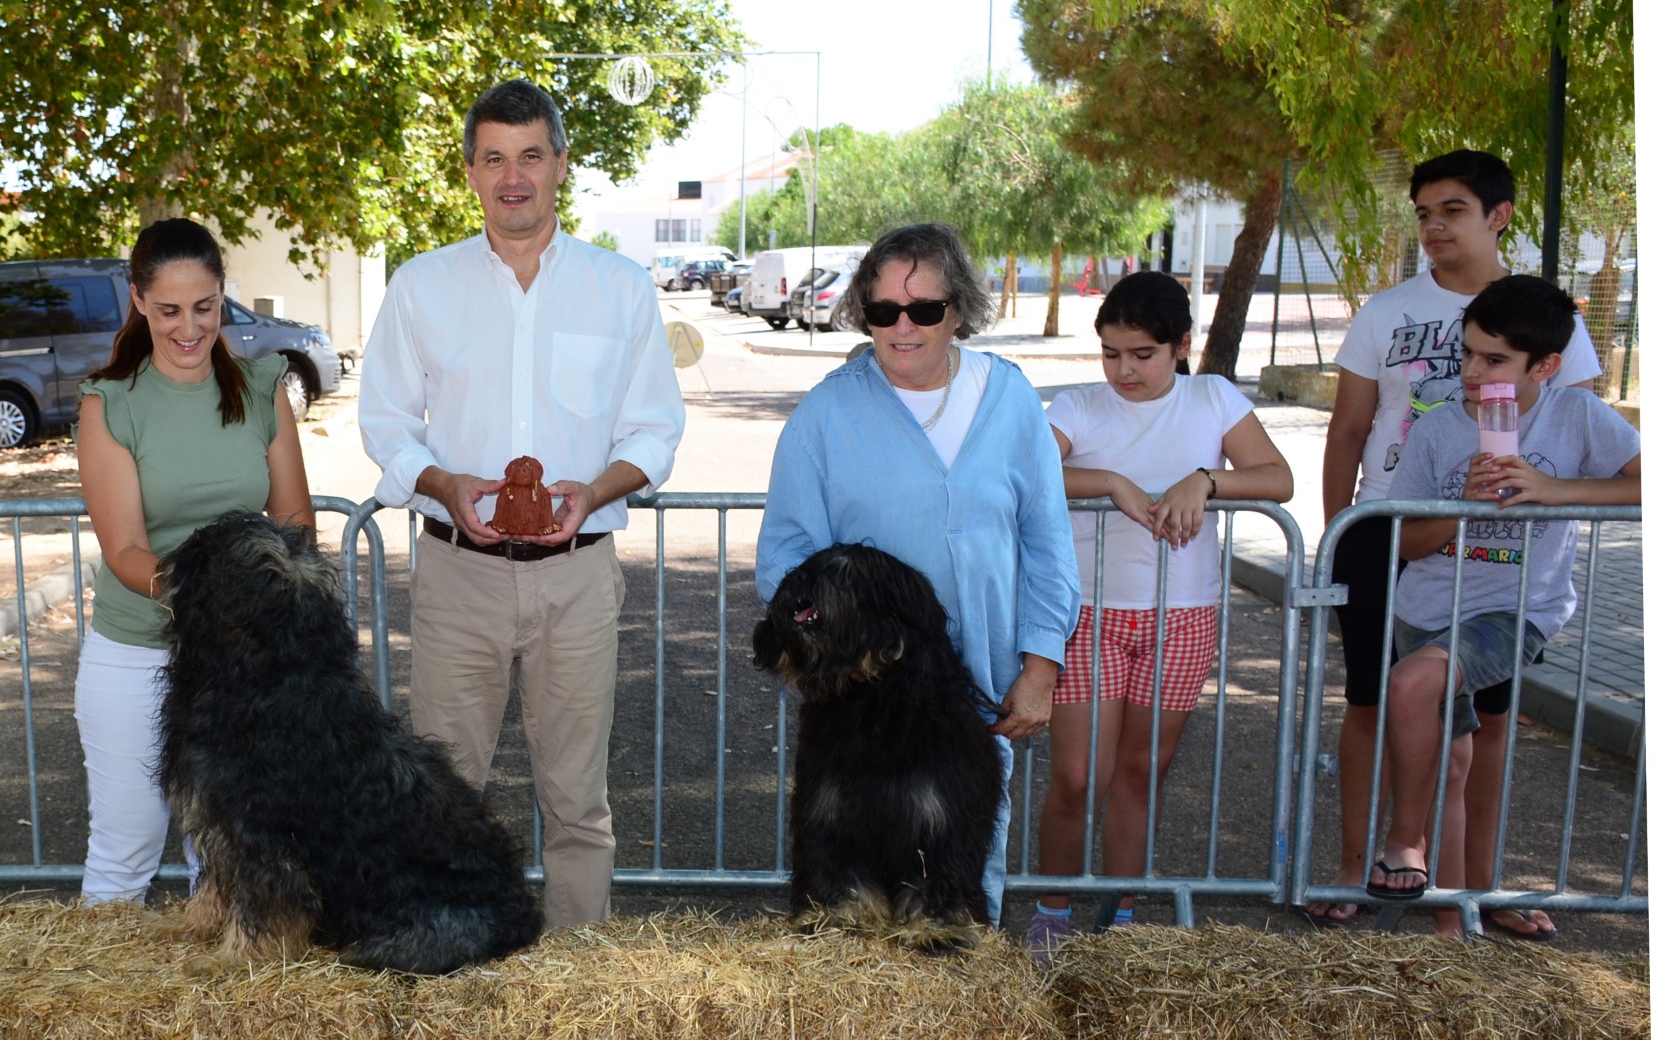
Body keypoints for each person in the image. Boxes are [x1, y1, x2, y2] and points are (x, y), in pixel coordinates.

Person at [358, 79, 684, 931]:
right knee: (441, 792)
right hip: (457, 575)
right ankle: (444, 963)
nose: (514, 178)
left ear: (561, 167)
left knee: (578, 801)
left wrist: (595, 492)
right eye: (495, 159)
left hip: (578, 577)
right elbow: (386, 425)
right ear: (469, 172)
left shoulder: (620, 288)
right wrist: (443, 484)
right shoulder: (420, 287)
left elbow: (653, 432)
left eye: (530, 156)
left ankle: (573, 994)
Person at [756, 222, 1080, 932]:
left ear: (958, 311)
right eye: (883, 311)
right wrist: (838, 649)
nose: (903, 328)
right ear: (862, 314)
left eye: (924, 310)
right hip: (857, 711)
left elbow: (1048, 541)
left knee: (959, 889)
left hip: (974, 701)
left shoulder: (1012, 402)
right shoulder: (825, 415)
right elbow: (785, 558)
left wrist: (1042, 663)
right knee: (841, 890)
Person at [1318, 149, 1603, 934]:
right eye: (1423, 212)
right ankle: (1357, 867)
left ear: (1498, 215)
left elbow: (1575, 435)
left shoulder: (1548, 316)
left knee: (1487, 725)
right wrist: (1333, 536)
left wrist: (1543, 504)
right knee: (1374, 702)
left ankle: (1478, 891)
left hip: (1505, 558)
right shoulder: (1384, 310)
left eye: (1452, 209)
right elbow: (1348, 427)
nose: (1434, 226)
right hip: (1389, 530)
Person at [1028, 272, 1292, 961]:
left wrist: (1206, 481)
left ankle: (1121, 917)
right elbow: (1027, 473)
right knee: (1079, 776)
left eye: (1141, 354)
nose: (1123, 370)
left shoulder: (1212, 397)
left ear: (1181, 345)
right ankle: (1050, 911)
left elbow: (1276, 476)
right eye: (1111, 353)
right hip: (1089, 615)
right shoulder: (1079, 405)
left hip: (1183, 616)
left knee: (1142, 772)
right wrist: (1113, 482)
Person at [1371, 274, 1639, 927]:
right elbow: (1408, 544)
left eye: (1494, 360)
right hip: (1428, 607)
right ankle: (1452, 926)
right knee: (1452, 764)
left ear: (1545, 365)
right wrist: (1462, 506)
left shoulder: (1576, 416)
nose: (1472, 371)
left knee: (1410, 687)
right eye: (1466, 353)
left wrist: (1552, 487)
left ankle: (1402, 842)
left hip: (1514, 612)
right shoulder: (1436, 432)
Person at [75, 218, 314, 904]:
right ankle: (101, 1009)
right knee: (125, 855)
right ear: (138, 301)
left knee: (228, 860)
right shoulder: (110, 403)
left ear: (222, 298)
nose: (189, 328)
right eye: (170, 310)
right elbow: (124, 551)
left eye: (205, 308)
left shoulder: (264, 385)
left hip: (243, 658)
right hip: (138, 652)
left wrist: (258, 617)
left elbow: (296, 524)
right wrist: (213, 605)